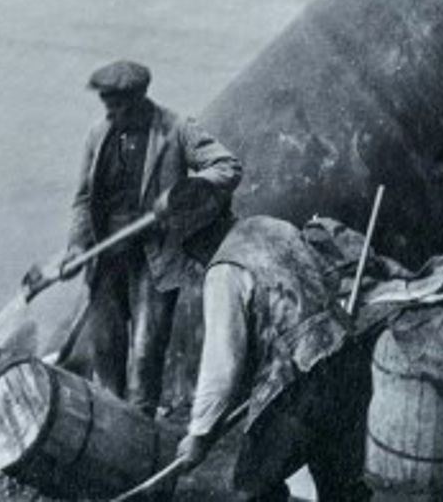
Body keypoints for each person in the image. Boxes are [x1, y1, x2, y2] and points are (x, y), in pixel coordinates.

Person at [49, 59, 242, 416]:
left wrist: (183, 193)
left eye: (117, 104)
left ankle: (140, 426)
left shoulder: (175, 129)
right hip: (105, 260)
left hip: (153, 260)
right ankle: (108, 422)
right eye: (106, 104)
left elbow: (227, 166)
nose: (111, 112)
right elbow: (83, 199)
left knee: (146, 352)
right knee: (106, 349)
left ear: (139, 97)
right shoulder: (98, 135)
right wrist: (76, 245)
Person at [173, 215, 367, 501]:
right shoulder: (269, 225)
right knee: (342, 488)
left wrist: (199, 434)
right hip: (348, 358)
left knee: (252, 488)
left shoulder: (224, 270)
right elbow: (331, 276)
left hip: (301, 385)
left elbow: (222, 366)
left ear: (198, 240)